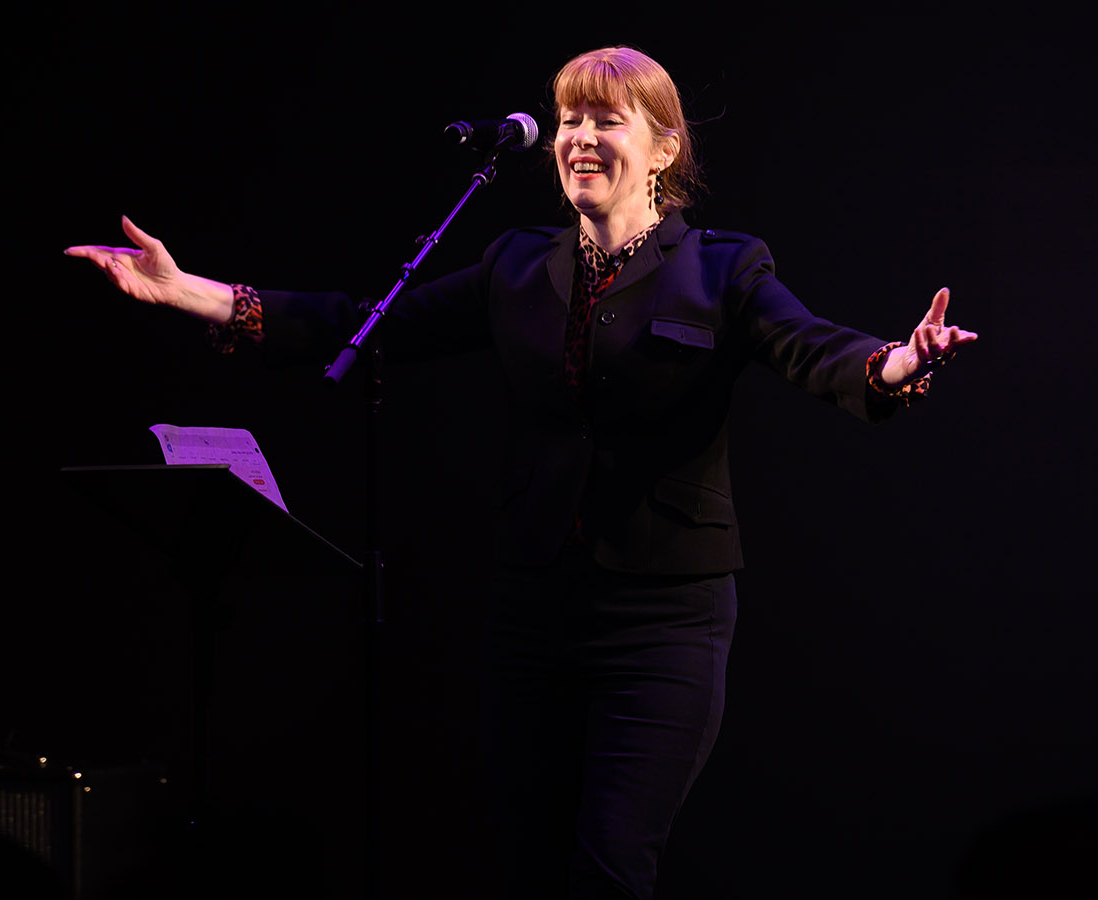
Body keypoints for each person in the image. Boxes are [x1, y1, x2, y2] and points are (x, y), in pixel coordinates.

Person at [65, 45, 977, 900]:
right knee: (527, 864)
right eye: (568, 119)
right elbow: (366, 323)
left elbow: (809, 348)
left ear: (663, 148)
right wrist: (190, 291)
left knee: (611, 864)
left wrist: (897, 362)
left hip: (664, 619)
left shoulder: (722, 268)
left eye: (606, 120)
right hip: (535, 612)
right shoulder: (517, 267)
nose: (580, 137)